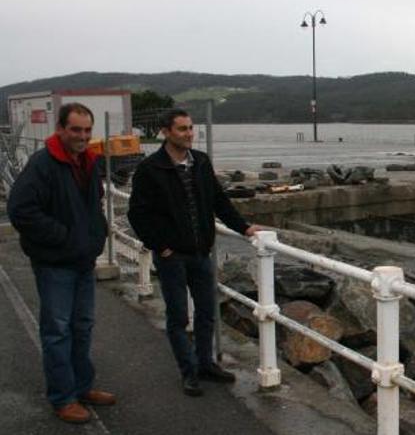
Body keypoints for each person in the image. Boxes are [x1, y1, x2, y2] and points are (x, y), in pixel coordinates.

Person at [127, 109, 258, 397]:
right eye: (182, 129)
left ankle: (205, 364)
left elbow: (219, 202)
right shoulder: (151, 169)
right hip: (172, 256)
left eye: (191, 128)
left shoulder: (200, 161)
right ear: (165, 132)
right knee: (177, 317)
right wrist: (161, 246)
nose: (189, 134)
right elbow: (137, 214)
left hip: (201, 252)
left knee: (207, 313)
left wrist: (245, 228)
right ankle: (188, 372)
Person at [7, 103, 116, 424]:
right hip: (55, 262)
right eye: (76, 130)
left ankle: (82, 386)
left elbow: (93, 204)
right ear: (61, 129)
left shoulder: (88, 162)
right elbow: (21, 210)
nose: (82, 136)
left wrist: (97, 235)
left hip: (83, 260)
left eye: (86, 130)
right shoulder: (43, 164)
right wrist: (64, 237)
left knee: (82, 327)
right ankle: (63, 397)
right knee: (57, 330)